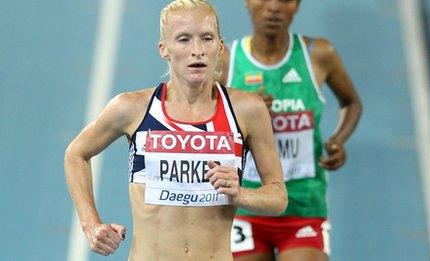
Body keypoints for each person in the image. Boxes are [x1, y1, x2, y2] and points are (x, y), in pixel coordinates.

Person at [64, 1, 287, 260]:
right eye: (184, 40)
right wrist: (90, 224)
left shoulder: (246, 110)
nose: (197, 51)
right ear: (164, 49)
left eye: (206, 38)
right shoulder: (133, 108)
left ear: (220, 46)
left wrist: (241, 194)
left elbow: (278, 196)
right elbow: (76, 154)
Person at [220, 0, 362, 260]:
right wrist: (245, 110)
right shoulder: (228, 61)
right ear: (247, 2)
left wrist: (338, 140)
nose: (273, 7)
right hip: (247, 206)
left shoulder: (318, 54)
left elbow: (351, 102)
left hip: (303, 206)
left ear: (297, 5)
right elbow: (202, 125)